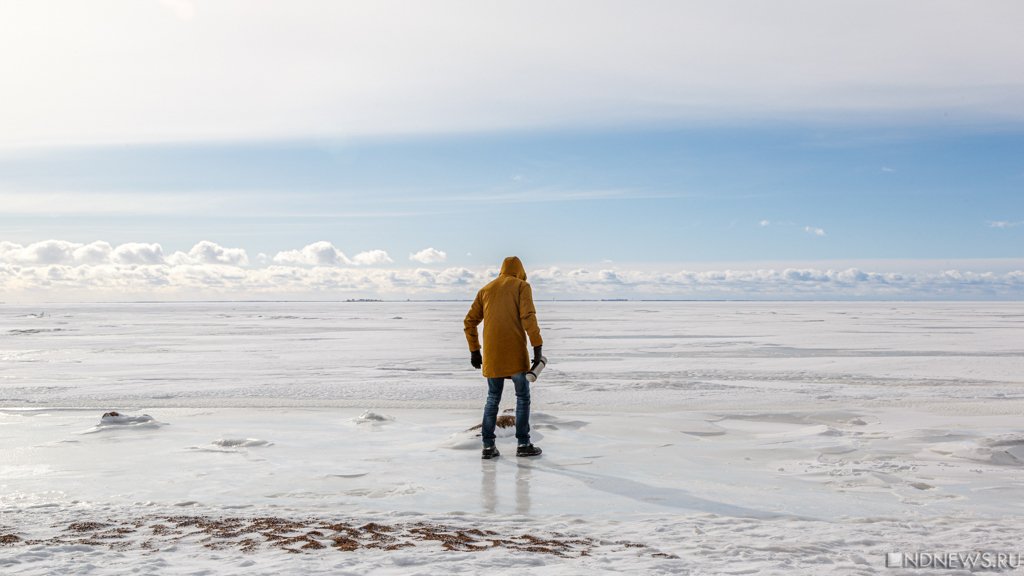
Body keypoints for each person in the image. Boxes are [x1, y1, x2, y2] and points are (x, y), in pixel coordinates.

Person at [464, 256, 544, 459]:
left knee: (492, 399)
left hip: (492, 355)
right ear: (520, 270)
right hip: (515, 353)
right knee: (523, 398)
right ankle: (523, 444)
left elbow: (469, 321)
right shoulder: (521, 286)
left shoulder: (486, 290)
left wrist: (475, 350)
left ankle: (488, 447)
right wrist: (537, 347)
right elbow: (528, 317)